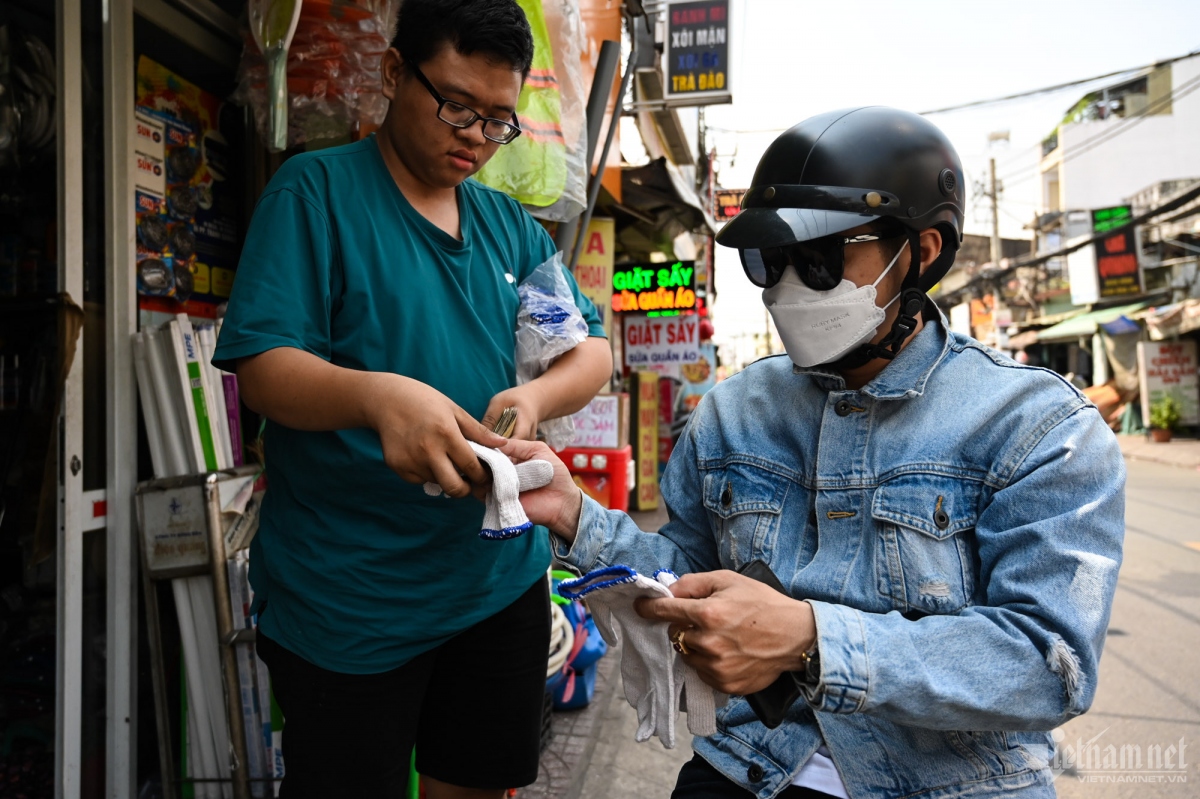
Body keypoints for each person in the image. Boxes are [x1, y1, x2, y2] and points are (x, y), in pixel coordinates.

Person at [506, 107, 1124, 798]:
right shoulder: (733, 412)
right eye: (771, 260)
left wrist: (812, 638)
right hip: (745, 766)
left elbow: (1049, 664)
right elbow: (686, 578)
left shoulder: (1037, 427)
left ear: (920, 250)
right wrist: (573, 513)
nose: (788, 286)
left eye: (823, 259)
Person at [212, 1, 612, 797]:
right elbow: (261, 366)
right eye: (457, 105)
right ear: (394, 73)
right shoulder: (314, 194)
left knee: (473, 781)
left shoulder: (511, 228)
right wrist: (377, 398)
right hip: (350, 600)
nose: (474, 134)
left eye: (498, 120)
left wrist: (533, 398)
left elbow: (588, 351)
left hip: (496, 586)